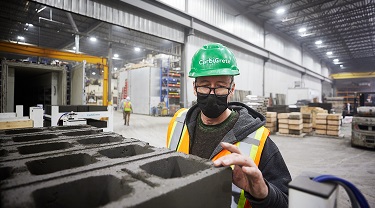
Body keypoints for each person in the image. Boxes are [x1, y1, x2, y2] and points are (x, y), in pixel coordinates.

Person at [166, 43, 291, 207]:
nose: (212, 93)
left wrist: (263, 194)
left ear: (232, 89)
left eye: (220, 86)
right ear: (194, 88)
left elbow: (285, 201)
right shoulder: (178, 122)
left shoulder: (258, 141)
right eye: (204, 85)